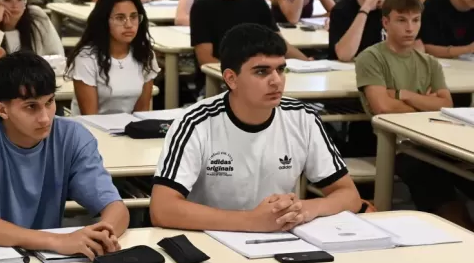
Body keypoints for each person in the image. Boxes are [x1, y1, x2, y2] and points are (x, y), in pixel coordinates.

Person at [149, 23, 360, 231]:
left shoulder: (303, 118)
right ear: (231, 79)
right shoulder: (195, 122)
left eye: (281, 69)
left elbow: (349, 195)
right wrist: (251, 221)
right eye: (261, 72)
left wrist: (306, 208)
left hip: (279, 237)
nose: (276, 81)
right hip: (210, 239)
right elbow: (162, 209)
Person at [0, 51, 129, 258]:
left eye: (49, 102)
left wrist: (103, 235)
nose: (45, 118)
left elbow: (116, 209)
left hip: (36, 256)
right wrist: (58, 241)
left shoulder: (72, 137)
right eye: (31, 107)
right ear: (2, 110)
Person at [355, 0, 474, 228]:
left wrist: (404, 94)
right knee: (432, 179)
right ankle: (462, 234)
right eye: (401, 20)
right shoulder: (371, 58)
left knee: (464, 168)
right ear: (386, 22)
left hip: (436, 139)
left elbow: (445, 104)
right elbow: (383, 107)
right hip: (397, 145)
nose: (410, 28)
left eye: (416, 20)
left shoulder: (429, 62)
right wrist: (425, 101)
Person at [67, 0, 159, 115]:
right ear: (104, 21)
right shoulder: (86, 57)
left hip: (130, 126)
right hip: (93, 126)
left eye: (133, 17)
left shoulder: (145, 54)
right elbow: (90, 117)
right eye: (120, 18)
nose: (129, 25)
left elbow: (142, 113)